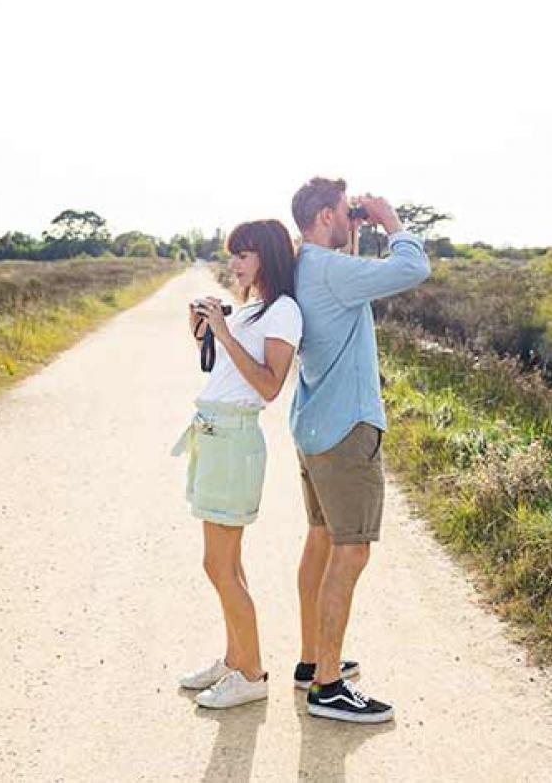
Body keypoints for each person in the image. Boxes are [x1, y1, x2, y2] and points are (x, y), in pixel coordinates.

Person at [288, 177, 431, 723]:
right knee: (352, 551)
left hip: (314, 427)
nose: (354, 219)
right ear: (326, 215)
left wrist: (351, 228)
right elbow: (414, 268)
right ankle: (328, 687)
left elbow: (345, 271)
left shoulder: (305, 265)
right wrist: (391, 220)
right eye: (346, 212)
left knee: (321, 541)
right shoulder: (330, 270)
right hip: (347, 430)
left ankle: (311, 663)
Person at [171, 219, 302, 709]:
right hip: (216, 436)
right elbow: (230, 375)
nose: (234, 264)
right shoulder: (254, 310)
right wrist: (204, 333)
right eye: (233, 256)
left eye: (242, 255)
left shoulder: (284, 311)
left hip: (233, 440)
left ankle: (250, 673)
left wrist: (224, 334)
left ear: (265, 256)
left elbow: (269, 387)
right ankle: (235, 659)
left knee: (218, 564)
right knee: (227, 563)